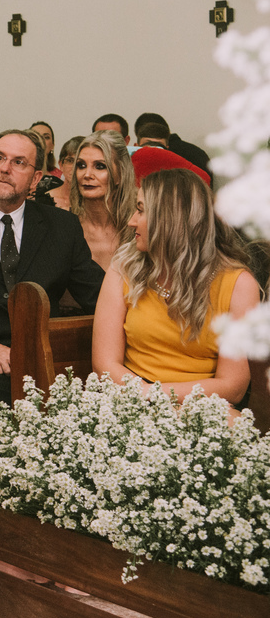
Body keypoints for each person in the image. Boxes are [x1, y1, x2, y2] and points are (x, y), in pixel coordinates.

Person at [0, 130, 106, 444]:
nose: (5, 168)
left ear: (35, 178)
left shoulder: (62, 227)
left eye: (19, 162)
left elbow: (97, 295)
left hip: (42, 353)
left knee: (83, 405)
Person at [93, 169, 257, 409]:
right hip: (133, 398)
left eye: (141, 210)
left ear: (171, 219)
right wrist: (147, 397)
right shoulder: (124, 267)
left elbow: (233, 386)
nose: (131, 221)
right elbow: (105, 364)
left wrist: (158, 396)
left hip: (203, 406)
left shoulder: (238, 284)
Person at [69, 130, 136, 270]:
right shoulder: (65, 228)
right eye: (81, 165)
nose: (87, 174)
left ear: (121, 173)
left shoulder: (137, 229)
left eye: (100, 166)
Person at [134, 111, 211, 177]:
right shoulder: (196, 153)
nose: (154, 151)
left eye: (158, 146)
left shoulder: (174, 163)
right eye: (148, 145)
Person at [36, 135, 83, 210]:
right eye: (70, 161)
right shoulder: (44, 201)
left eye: (81, 163)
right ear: (61, 164)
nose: (74, 167)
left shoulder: (94, 202)